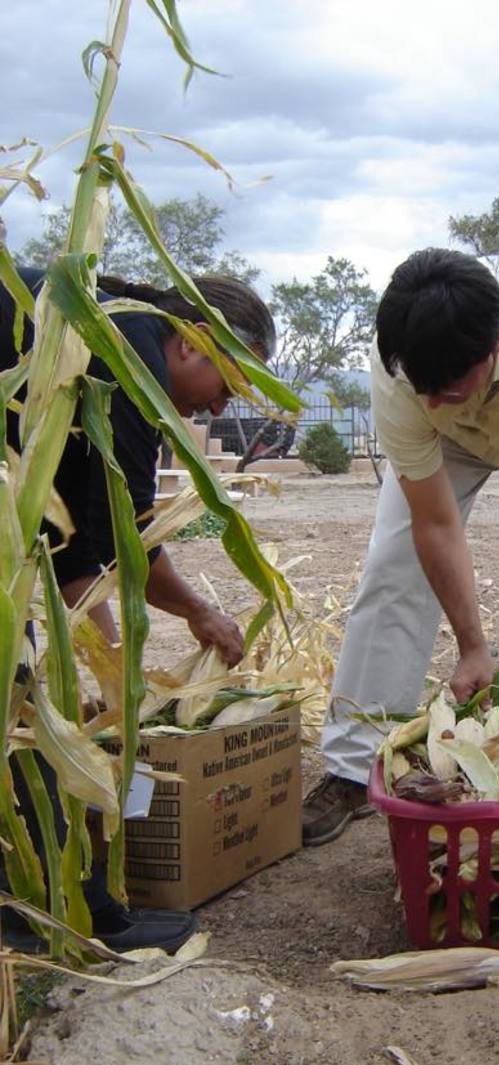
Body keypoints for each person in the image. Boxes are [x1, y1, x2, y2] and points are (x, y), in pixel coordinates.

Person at [304, 247, 499, 847]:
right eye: (419, 387)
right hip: (455, 441)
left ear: (489, 355)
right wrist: (472, 647)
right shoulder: (405, 380)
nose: (427, 400)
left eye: (444, 388)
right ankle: (353, 765)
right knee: (392, 569)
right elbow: (433, 524)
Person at [1, 266, 277, 953]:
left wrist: (174, 625)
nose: (218, 411)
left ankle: (60, 900)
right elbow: (104, 555)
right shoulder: (123, 362)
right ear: (194, 342)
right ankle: (63, 910)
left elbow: (100, 539)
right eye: (228, 385)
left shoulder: (117, 341)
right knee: (23, 691)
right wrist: (113, 680)